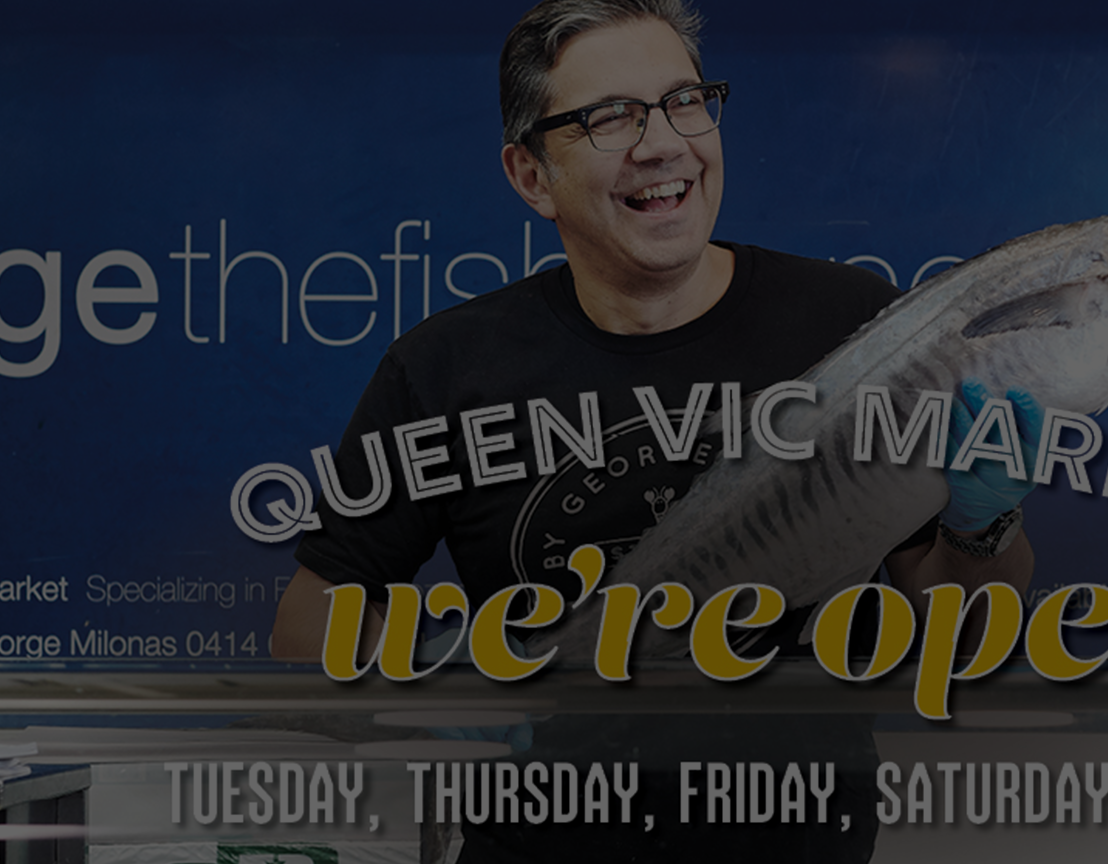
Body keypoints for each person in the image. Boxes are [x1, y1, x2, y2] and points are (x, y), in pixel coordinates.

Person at [271, 0, 1036, 859]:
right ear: (531, 177)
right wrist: (421, 680)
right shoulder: (446, 368)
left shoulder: (852, 329)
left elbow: (967, 641)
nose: (664, 141)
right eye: (610, 118)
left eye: (683, 101)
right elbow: (303, 639)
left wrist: (982, 530)